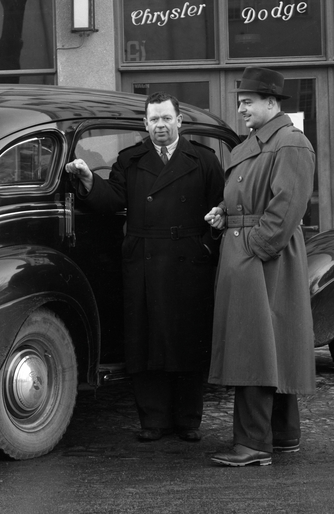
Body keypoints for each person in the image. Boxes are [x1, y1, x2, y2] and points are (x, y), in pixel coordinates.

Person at [66, 92, 224, 443]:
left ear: (179, 121)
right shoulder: (130, 160)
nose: (160, 126)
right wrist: (89, 179)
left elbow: (220, 206)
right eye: (154, 120)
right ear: (145, 124)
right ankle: (153, 420)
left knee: (187, 340)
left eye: (166, 118)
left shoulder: (204, 160)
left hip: (189, 260)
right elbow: (112, 200)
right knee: (146, 340)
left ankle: (188, 420)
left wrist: (206, 246)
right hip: (145, 260)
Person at [205, 66, 316, 467]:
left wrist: (254, 246)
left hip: (264, 258)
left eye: (248, 102)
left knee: (254, 345)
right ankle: (282, 435)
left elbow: (287, 206)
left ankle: (253, 443)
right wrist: (224, 212)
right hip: (250, 252)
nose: (241, 109)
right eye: (239, 102)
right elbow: (245, 196)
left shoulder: (291, 143)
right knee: (271, 343)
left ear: (272, 102)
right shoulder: (255, 143)